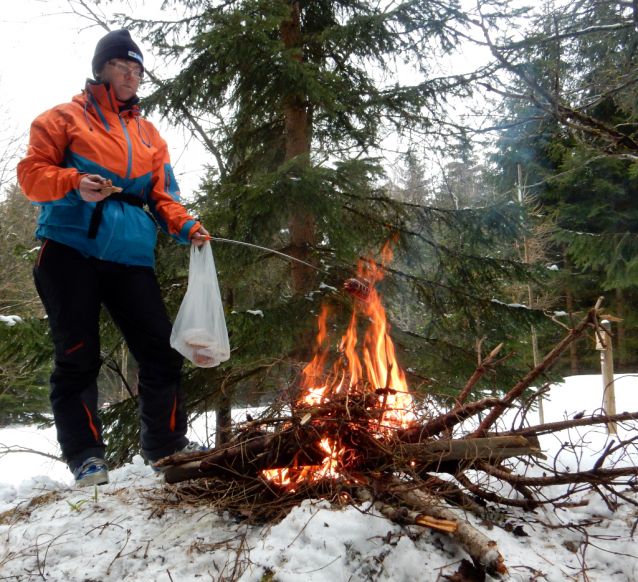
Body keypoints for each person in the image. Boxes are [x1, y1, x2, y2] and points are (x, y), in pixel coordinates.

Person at [17, 29, 209, 487]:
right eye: (123, 66)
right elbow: (31, 176)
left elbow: (165, 197)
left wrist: (187, 227)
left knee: (162, 351)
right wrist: (73, 182)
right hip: (68, 251)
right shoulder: (62, 118)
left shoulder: (148, 135)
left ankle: (167, 448)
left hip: (130, 257)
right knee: (79, 355)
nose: (131, 75)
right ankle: (86, 457)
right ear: (101, 68)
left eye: (138, 70)